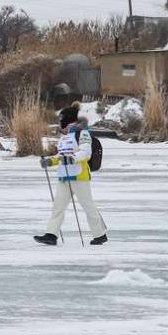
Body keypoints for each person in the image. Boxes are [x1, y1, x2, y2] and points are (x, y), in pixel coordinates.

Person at [34, 103, 108, 246]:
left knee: (88, 206)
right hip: (64, 177)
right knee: (58, 206)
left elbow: (86, 153)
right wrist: (50, 161)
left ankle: (100, 234)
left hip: (80, 176)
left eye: (61, 118)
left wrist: (73, 158)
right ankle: (51, 235)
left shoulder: (82, 133)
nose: (59, 122)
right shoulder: (64, 136)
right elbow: (61, 156)